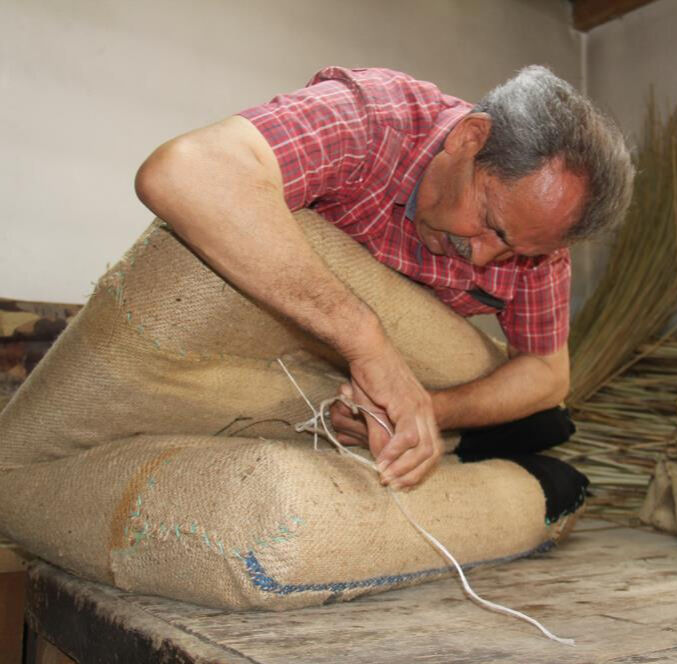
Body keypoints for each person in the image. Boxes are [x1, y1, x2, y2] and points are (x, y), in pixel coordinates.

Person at [135, 65, 634, 493]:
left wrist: (423, 410)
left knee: (547, 421)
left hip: (359, 403)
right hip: (262, 368)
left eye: (517, 252)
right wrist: (368, 345)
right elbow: (183, 171)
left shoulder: (538, 238)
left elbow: (548, 374)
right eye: (491, 224)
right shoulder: (373, 118)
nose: (485, 258)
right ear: (469, 139)